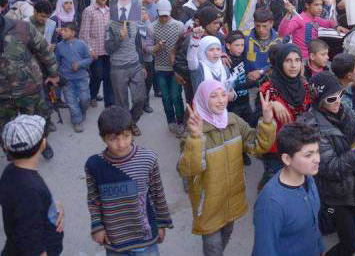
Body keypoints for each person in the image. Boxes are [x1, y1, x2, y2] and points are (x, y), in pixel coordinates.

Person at [178, 80, 277, 256]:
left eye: (223, 94)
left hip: (232, 197)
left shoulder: (234, 121)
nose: (221, 100)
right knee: (214, 247)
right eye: (213, 96)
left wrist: (267, 122)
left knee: (226, 234)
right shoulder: (194, 131)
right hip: (208, 204)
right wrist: (195, 138)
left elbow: (257, 146)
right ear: (202, 100)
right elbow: (188, 169)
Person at [299, 71, 355, 256]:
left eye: (341, 94)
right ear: (319, 100)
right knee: (349, 245)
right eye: (331, 98)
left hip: (352, 186)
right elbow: (331, 168)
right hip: (333, 194)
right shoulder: (312, 127)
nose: (338, 101)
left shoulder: (344, 110)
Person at [85, 106, 173, 255]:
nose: (121, 144)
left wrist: (162, 223)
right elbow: (94, 200)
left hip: (144, 237)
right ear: (103, 137)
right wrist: (97, 226)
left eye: (126, 136)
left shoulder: (148, 159)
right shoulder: (94, 165)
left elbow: (158, 194)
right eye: (113, 139)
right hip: (114, 241)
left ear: (132, 132)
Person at [252, 122, 325, 256]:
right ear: (287, 159)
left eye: (317, 151)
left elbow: (313, 226)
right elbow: (264, 250)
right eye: (308, 155)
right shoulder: (271, 203)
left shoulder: (308, 178)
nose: (317, 159)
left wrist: (320, 249)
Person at [0, 115, 64, 255]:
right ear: (43, 144)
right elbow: (30, 237)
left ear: (6, 148)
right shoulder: (31, 190)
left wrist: (52, 206)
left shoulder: (11, 172)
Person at [0, 13, 60, 159]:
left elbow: (44, 50)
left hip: (28, 87)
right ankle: (11, 150)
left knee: (38, 119)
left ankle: (41, 143)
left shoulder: (22, 27)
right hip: (2, 95)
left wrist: (53, 74)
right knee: (4, 126)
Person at [258, 44, 312, 189]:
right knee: (273, 180)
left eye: (297, 60)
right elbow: (262, 104)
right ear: (280, 62)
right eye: (288, 60)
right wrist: (273, 102)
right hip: (275, 147)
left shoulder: (305, 85)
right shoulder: (269, 88)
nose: (293, 65)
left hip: (296, 143)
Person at [105, 11, 146, 136]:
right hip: (118, 68)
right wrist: (119, 38)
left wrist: (142, 65)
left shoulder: (135, 24)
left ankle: (131, 120)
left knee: (140, 99)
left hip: (135, 66)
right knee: (122, 103)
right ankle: (128, 126)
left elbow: (138, 46)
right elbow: (108, 49)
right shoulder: (110, 25)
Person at [148, 0, 186, 135]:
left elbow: (183, 46)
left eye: (166, 15)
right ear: (157, 12)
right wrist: (156, 47)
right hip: (160, 68)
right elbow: (147, 48)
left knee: (176, 96)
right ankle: (170, 120)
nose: (164, 18)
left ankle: (181, 122)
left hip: (176, 69)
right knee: (166, 97)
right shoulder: (152, 27)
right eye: (161, 15)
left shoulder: (179, 26)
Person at [279, 0, 345, 58]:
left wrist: (337, 26)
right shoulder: (298, 19)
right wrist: (288, 14)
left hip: (314, 58)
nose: (320, 8)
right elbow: (282, 34)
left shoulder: (316, 18)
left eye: (321, 5)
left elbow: (329, 22)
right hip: (302, 59)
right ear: (307, 5)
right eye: (316, 5)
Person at [80, 0, 114, 108]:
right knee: (97, 75)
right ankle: (92, 95)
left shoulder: (111, 11)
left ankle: (109, 103)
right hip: (95, 51)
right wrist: (89, 49)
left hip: (109, 50)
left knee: (109, 76)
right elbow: (84, 33)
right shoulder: (89, 11)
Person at [55, 23, 92, 132]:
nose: (62, 32)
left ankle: (82, 111)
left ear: (73, 33)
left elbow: (89, 58)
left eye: (65, 30)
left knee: (85, 99)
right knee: (71, 102)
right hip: (66, 79)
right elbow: (56, 62)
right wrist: (56, 75)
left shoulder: (81, 44)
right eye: (62, 30)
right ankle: (77, 121)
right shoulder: (59, 46)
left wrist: (79, 64)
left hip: (82, 78)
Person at [243, 8, 283, 84]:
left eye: (264, 26)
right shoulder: (244, 36)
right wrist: (223, 55)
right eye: (257, 26)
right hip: (248, 81)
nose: (261, 29)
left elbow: (279, 61)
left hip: (270, 81)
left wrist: (262, 71)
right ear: (254, 22)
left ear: (271, 23)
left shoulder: (279, 40)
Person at [226, 31, 257, 127]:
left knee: (252, 125)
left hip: (245, 100)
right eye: (237, 45)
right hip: (233, 104)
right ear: (228, 46)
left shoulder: (243, 57)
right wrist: (251, 83)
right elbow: (229, 85)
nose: (240, 48)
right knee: (236, 127)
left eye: (242, 45)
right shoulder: (226, 62)